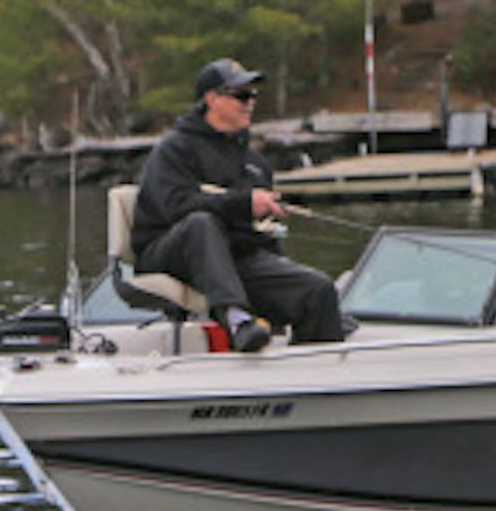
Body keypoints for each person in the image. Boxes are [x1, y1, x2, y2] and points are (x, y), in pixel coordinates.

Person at [131, 58, 344, 352]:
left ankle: (314, 378)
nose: (250, 103)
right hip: (170, 253)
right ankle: (236, 319)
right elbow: (176, 208)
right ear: (211, 100)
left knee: (318, 290)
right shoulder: (174, 150)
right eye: (241, 95)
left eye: (253, 95)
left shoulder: (254, 164)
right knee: (201, 222)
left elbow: (261, 233)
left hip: (231, 259)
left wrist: (286, 274)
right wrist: (244, 203)